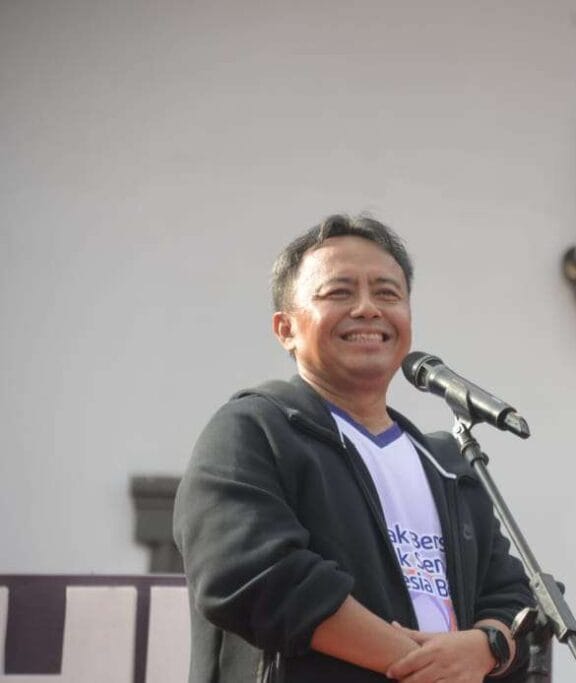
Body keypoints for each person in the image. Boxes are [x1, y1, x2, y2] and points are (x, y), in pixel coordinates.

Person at [173, 215, 532, 683]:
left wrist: (487, 647)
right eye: (339, 292)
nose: (367, 309)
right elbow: (254, 576)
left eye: (387, 294)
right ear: (286, 329)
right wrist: (426, 667)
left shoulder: (446, 465)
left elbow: (512, 596)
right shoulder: (254, 430)